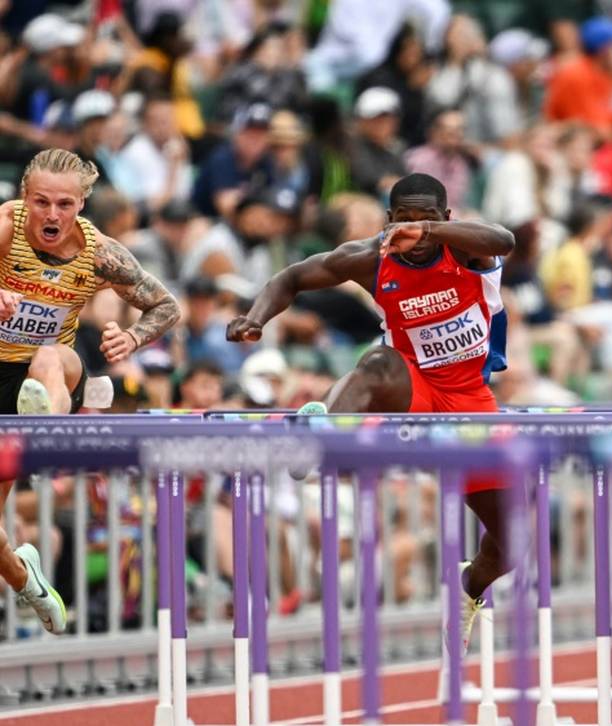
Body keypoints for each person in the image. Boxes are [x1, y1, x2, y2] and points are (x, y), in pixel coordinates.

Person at [226, 173, 514, 648]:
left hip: (469, 398)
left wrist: (430, 233)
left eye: (426, 221)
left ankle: (467, 589)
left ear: (446, 220)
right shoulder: (369, 257)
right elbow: (292, 277)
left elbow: (504, 238)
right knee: (377, 363)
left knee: (515, 541)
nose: (413, 232)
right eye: (404, 220)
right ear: (388, 221)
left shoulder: (466, 250)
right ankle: (318, 437)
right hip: (412, 387)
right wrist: (254, 318)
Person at [0, 148, 182, 633]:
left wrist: (134, 336)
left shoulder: (101, 254)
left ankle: (46, 434)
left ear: (82, 203)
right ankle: (29, 583)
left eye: (63, 204)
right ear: (25, 198)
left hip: (52, 375)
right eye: (40, 203)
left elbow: (167, 307)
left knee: (49, 357)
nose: (51, 215)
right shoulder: (5, 228)